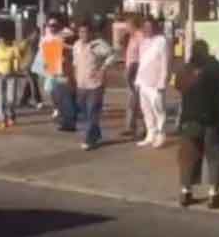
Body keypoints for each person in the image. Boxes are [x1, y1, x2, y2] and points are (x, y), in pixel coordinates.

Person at [175, 40, 219, 209]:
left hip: (189, 120)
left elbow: (178, 86)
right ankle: (214, 195)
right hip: (212, 120)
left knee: (188, 157)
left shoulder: (185, 69)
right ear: (207, 52)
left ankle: (186, 192)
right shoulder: (213, 67)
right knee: (216, 156)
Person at [73, 20, 115, 151]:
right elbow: (75, 63)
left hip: (95, 85)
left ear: (91, 33)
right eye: (80, 32)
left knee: (92, 111)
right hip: (81, 84)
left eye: (85, 32)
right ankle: (96, 133)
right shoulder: (76, 45)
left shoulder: (98, 44)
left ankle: (89, 139)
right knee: (84, 112)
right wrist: (74, 78)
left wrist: (103, 68)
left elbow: (112, 54)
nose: (82, 34)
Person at [135, 15, 171, 149]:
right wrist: (138, 80)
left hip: (155, 82)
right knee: (146, 109)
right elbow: (141, 61)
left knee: (158, 110)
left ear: (154, 27)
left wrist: (162, 81)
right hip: (143, 81)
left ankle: (161, 134)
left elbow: (164, 62)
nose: (146, 30)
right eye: (144, 27)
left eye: (149, 27)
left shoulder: (161, 41)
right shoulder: (143, 41)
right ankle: (151, 133)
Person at [42, 15, 77, 132]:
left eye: (55, 26)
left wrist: (64, 48)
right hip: (52, 71)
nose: (52, 28)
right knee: (56, 95)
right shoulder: (46, 38)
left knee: (64, 96)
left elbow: (71, 45)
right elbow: (44, 54)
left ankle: (68, 121)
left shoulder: (63, 35)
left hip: (63, 72)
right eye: (50, 25)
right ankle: (64, 119)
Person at [120, 14, 144, 139]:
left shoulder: (140, 37)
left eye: (128, 25)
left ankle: (142, 127)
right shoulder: (130, 37)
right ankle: (130, 126)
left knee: (138, 101)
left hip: (137, 71)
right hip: (130, 70)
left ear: (134, 25)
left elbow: (141, 55)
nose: (126, 27)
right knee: (131, 100)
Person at [0, 30, 20, 129]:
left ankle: (11, 115)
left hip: (11, 75)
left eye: (5, 40)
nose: (3, 42)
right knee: (0, 97)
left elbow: (17, 60)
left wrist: (16, 70)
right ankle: (2, 117)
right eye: (1, 40)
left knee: (11, 98)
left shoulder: (13, 48)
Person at [18, 28, 44, 110]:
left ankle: (23, 100)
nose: (36, 36)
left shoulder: (38, 43)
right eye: (35, 34)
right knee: (33, 83)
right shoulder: (26, 42)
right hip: (27, 66)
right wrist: (21, 63)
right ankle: (38, 101)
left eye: (38, 34)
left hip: (35, 65)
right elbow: (18, 52)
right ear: (30, 34)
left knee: (29, 84)